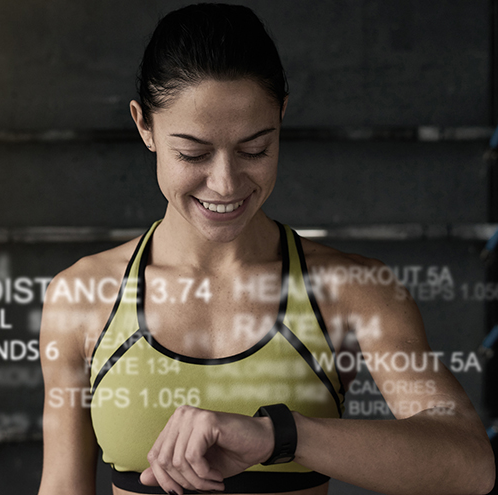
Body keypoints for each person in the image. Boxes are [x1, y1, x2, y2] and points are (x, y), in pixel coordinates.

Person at [37, 4, 496, 495]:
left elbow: (469, 465)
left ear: (281, 114)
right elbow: (62, 486)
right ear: (144, 126)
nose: (225, 183)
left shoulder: (353, 292)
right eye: (192, 154)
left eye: (255, 149)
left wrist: (281, 434)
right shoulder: (81, 297)